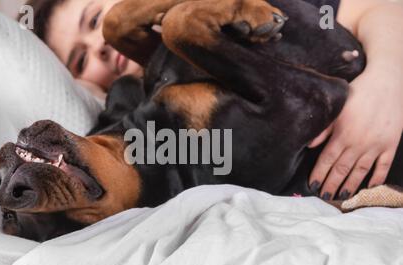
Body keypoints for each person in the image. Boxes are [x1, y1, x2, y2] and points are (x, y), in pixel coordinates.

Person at [23, 0, 403, 200]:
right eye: (80, 59)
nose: (100, 46)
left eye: (93, 22)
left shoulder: (237, 12)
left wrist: (386, 81)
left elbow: (378, 8)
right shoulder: (137, 124)